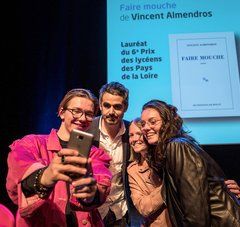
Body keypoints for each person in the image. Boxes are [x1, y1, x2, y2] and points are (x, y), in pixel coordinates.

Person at [6, 88, 112, 227]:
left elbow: (101, 185)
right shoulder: (31, 144)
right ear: (62, 112)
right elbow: (16, 183)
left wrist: (90, 193)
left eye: (89, 114)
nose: (82, 118)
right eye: (76, 111)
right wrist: (46, 176)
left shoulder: (95, 154)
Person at [140, 99, 240, 227]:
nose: (146, 127)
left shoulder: (177, 146)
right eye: (143, 124)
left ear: (166, 122)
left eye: (153, 122)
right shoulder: (173, 148)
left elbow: (195, 208)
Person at [87, 82, 142, 226]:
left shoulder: (133, 132)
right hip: (92, 210)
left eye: (117, 107)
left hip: (121, 210)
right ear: (100, 105)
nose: (111, 111)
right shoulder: (86, 129)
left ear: (126, 107)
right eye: (107, 105)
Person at [127, 118, 172, 227]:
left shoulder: (168, 158)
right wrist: (169, 184)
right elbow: (143, 208)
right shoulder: (133, 170)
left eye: (139, 134)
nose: (135, 139)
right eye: (131, 135)